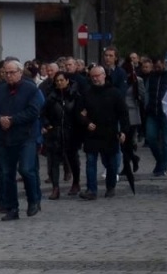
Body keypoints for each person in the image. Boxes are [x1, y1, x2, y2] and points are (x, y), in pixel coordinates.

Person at [0, 58, 44, 220]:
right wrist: (0, 119)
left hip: (25, 136)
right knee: (6, 173)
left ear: (20, 73)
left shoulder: (30, 89)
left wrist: (12, 120)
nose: (8, 76)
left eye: (12, 72)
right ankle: (12, 207)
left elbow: (33, 111)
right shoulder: (0, 90)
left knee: (26, 169)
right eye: (6, 73)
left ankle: (33, 199)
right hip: (5, 138)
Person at [77, 63, 131, 201]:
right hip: (92, 133)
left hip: (110, 132)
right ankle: (91, 190)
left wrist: (124, 131)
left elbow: (123, 114)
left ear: (104, 76)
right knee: (90, 161)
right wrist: (86, 122)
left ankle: (111, 186)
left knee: (111, 163)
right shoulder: (87, 93)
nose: (95, 79)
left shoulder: (114, 92)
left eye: (97, 76)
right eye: (92, 76)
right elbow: (79, 113)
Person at [41, 70, 82, 200]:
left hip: (71, 132)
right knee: (54, 161)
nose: (59, 83)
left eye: (61, 80)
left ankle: (76, 182)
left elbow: (80, 113)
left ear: (67, 81)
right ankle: (55, 188)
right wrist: (47, 125)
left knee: (73, 159)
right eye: (57, 81)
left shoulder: (75, 96)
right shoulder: (51, 97)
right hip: (55, 131)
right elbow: (43, 114)